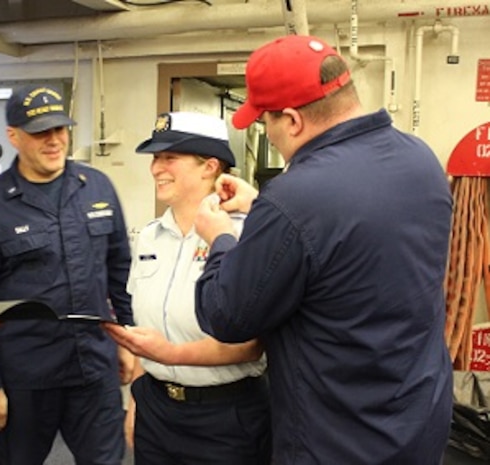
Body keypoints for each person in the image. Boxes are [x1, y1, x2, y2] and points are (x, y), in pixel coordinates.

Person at [193, 35, 453, 464]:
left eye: (266, 123)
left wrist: (220, 236)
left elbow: (226, 315)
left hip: (337, 439)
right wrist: (263, 209)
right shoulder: (420, 160)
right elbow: (353, 240)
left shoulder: (293, 198)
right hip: (415, 422)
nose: (270, 135)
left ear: (292, 120)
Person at [0, 83, 133, 465]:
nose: (54, 141)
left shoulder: (96, 187)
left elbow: (120, 271)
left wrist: (127, 338)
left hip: (92, 370)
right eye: (40, 132)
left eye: (60, 129)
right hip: (23, 379)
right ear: (13, 136)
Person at [103, 111, 271, 465]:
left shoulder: (247, 237)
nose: (156, 168)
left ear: (209, 166)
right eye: (154, 158)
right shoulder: (149, 236)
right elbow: (144, 329)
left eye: (169, 157)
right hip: (157, 407)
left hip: (225, 416)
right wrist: (135, 402)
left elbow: (252, 345)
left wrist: (167, 353)